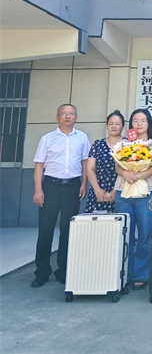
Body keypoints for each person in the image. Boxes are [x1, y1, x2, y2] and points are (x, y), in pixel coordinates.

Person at [31, 104, 90, 288]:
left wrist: (83, 183)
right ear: (57, 117)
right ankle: (42, 272)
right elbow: (39, 165)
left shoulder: (82, 137)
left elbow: (85, 163)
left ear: (76, 117)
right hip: (50, 185)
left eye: (71, 113)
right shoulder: (47, 138)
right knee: (46, 230)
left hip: (72, 186)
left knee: (68, 230)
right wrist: (38, 189)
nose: (67, 116)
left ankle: (63, 271)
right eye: (64, 113)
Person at [114, 108, 152, 291]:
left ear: (149, 123)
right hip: (123, 191)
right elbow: (117, 166)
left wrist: (140, 175)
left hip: (147, 192)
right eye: (135, 120)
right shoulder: (123, 144)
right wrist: (126, 173)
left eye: (143, 120)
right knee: (124, 233)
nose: (139, 124)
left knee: (145, 234)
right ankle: (123, 274)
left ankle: (141, 274)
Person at [85, 110, 124, 213]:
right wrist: (97, 189)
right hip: (98, 192)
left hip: (122, 191)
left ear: (123, 126)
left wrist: (116, 190)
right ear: (107, 126)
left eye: (117, 124)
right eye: (111, 124)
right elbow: (90, 169)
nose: (114, 126)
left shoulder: (128, 144)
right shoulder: (98, 144)